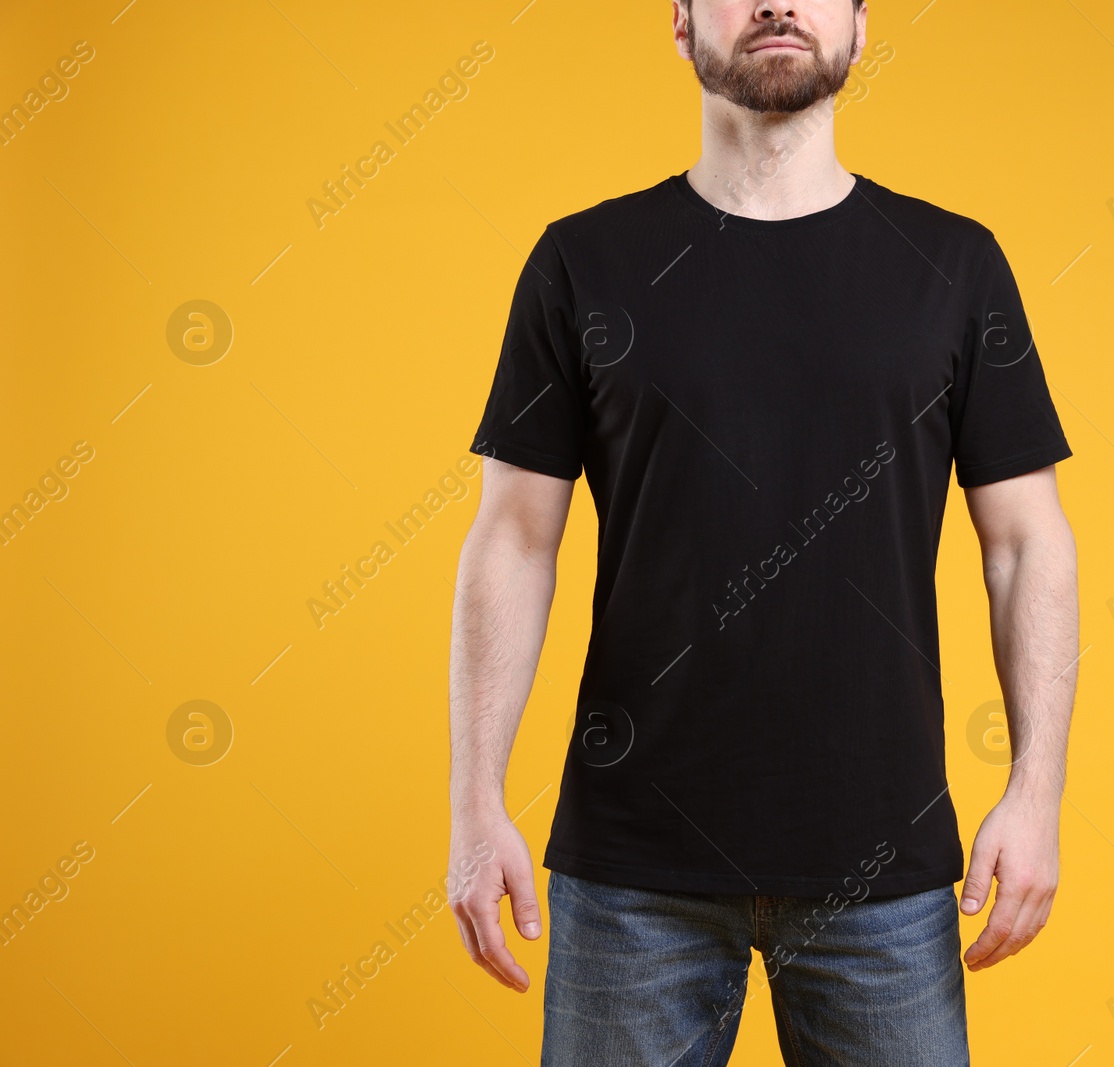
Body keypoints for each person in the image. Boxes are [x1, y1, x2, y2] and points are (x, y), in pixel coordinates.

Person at [447, 2, 1081, 1063]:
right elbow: (512, 538)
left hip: (882, 869)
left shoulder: (953, 266)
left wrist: (1036, 790)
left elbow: (1026, 542)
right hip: (629, 873)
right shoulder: (583, 263)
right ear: (683, 22)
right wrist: (474, 807)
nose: (780, 2)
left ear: (860, 25)